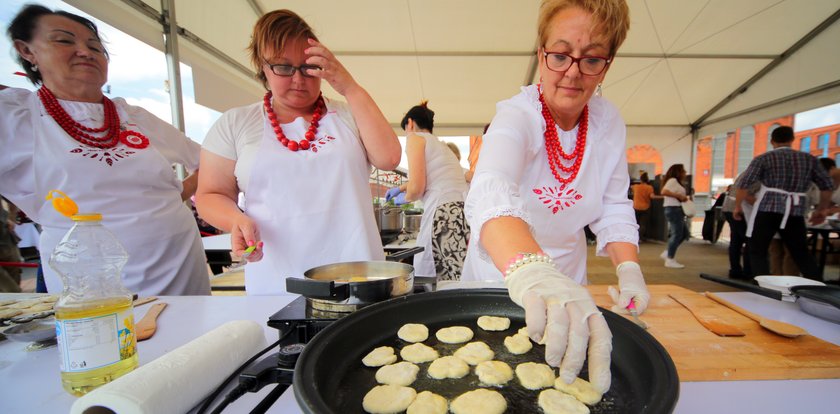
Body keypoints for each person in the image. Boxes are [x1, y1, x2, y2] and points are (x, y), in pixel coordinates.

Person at [461, 0, 648, 394]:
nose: (572, 73)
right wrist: (532, 271)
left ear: (607, 65)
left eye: (591, 59)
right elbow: (491, 189)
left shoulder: (608, 121)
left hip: (569, 279)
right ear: (541, 53)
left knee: (563, 380)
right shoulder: (517, 116)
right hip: (505, 279)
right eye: (560, 56)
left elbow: (614, 202)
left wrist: (629, 271)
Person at [0, 5, 209, 296]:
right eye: (64, 41)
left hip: (177, 261)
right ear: (27, 51)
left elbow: (207, 160)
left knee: (199, 338)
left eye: (94, 46)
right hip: (87, 274)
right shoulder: (15, 116)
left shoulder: (134, 116)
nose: (85, 52)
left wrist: (176, 196)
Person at [195, 10, 400, 295]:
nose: (298, 79)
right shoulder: (236, 123)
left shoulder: (347, 114)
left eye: (308, 67)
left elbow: (388, 158)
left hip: (357, 273)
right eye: (283, 67)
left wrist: (349, 86)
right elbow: (210, 194)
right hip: (276, 277)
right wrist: (236, 219)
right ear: (262, 67)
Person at [734, 126, 833, 279]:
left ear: (772, 141)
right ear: (792, 140)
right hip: (795, 210)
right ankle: (817, 288)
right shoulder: (809, 159)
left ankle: (763, 285)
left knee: (758, 249)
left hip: (768, 208)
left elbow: (744, 184)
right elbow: (827, 186)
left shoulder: (763, 158)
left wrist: (737, 206)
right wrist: (821, 209)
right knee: (800, 252)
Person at [385, 102, 469, 281]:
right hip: (460, 212)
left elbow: (417, 188)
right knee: (457, 273)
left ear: (410, 123)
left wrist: (404, 199)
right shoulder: (441, 147)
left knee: (439, 279)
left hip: (443, 215)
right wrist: (400, 188)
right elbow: (432, 176)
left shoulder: (415, 138)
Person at [660, 163, 690, 268]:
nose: (685, 173)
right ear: (678, 172)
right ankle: (670, 259)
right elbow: (664, 191)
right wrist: (679, 196)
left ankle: (668, 252)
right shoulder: (673, 181)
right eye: (683, 171)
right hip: (673, 209)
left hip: (676, 209)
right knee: (677, 234)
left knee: (684, 234)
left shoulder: (676, 182)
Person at [631, 172, 658, 241]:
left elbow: (630, 186)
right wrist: (662, 197)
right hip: (645, 207)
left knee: (635, 223)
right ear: (648, 179)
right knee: (643, 224)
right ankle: (640, 238)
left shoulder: (635, 186)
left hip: (636, 206)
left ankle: (634, 237)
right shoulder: (649, 187)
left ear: (641, 179)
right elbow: (652, 196)